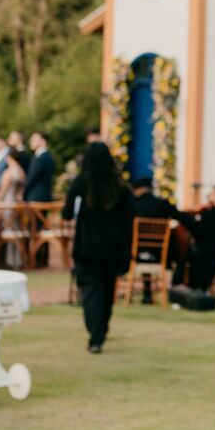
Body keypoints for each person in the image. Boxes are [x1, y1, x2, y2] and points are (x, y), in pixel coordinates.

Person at [63, 142, 134, 354]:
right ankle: (100, 329)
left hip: (87, 246)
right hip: (114, 246)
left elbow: (66, 213)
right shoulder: (119, 186)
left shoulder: (81, 183)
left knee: (91, 290)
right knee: (107, 288)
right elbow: (130, 215)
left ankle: (96, 334)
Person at [182, 183, 215, 291]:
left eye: (211, 194)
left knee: (191, 250)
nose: (209, 196)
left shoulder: (211, 214)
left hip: (211, 253)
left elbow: (197, 230)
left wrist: (185, 217)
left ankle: (192, 285)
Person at [24, 132, 56, 202]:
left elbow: (31, 179)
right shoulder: (47, 157)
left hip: (36, 198)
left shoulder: (41, 158)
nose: (30, 142)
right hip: (41, 197)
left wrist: (23, 194)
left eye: (33, 140)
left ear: (43, 141)